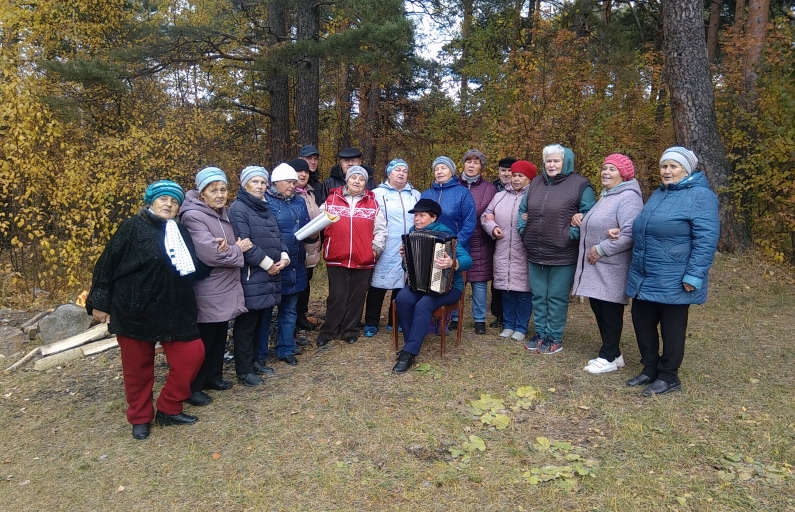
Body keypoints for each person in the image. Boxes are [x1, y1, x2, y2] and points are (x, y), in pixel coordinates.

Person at [87, 180, 205, 440]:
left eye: (174, 202)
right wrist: (100, 302)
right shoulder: (132, 228)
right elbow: (106, 264)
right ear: (151, 201)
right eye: (163, 199)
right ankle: (140, 417)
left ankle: (169, 407)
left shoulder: (180, 231)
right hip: (134, 308)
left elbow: (191, 269)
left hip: (175, 309)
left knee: (192, 355)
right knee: (137, 369)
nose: (169, 204)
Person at [624, 147, 719, 396]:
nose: (667, 171)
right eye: (664, 166)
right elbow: (645, 227)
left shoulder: (701, 196)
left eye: (673, 166)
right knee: (641, 320)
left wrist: (694, 275)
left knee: (672, 328)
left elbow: (706, 239)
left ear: (687, 170)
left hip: (675, 277)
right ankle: (650, 368)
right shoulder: (659, 193)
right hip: (646, 274)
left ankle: (669, 376)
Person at [179, 167, 250, 406]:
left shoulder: (223, 213)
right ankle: (194, 386)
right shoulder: (193, 215)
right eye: (213, 190)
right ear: (201, 193)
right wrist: (237, 250)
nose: (220, 195)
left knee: (220, 334)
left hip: (226, 285)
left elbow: (225, 247)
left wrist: (229, 249)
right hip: (208, 287)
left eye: (223, 189)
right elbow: (210, 254)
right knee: (205, 339)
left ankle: (214, 377)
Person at [519, 144, 596, 355]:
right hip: (535, 250)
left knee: (555, 296)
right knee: (538, 296)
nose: (551, 164)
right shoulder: (536, 183)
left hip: (562, 253)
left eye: (556, 161)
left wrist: (569, 235)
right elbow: (522, 210)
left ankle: (554, 337)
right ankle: (541, 333)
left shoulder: (580, 185)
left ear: (566, 162)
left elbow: (590, 217)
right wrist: (523, 229)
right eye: (548, 161)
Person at [570, 154, 643, 374]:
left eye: (612, 169)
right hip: (597, 267)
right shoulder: (608, 195)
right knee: (600, 310)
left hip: (612, 266)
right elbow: (601, 222)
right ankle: (615, 354)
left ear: (623, 174)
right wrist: (581, 218)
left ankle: (608, 356)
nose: (606, 172)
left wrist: (601, 249)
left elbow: (630, 233)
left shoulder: (628, 197)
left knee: (610, 313)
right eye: (604, 168)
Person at [393, 199, 473, 372]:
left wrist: (452, 262)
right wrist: (405, 258)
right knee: (402, 298)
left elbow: (468, 260)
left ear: (433, 217)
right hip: (421, 285)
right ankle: (411, 344)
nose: (417, 219)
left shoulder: (446, 235)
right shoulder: (412, 233)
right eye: (415, 215)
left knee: (424, 304)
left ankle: (409, 353)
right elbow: (408, 268)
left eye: (422, 215)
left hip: (449, 287)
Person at [228, 165, 289, 387]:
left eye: (263, 182)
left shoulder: (265, 207)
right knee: (246, 325)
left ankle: (255, 362)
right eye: (255, 182)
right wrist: (267, 264)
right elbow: (244, 243)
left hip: (270, 274)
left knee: (260, 322)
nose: (260, 186)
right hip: (252, 276)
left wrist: (284, 257)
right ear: (245, 184)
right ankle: (243, 371)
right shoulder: (238, 209)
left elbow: (277, 235)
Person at [316, 166, 387, 347]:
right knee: (337, 296)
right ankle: (329, 329)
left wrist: (375, 250)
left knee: (357, 296)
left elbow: (381, 230)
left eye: (361, 179)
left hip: (363, 258)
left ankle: (350, 330)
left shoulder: (373, 203)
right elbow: (317, 225)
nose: (357, 181)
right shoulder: (331, 200)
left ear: (365, 183)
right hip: (336, 256)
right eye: (353, 178)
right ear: (346, 180)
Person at [363, 158, 421, 337]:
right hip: (386, 245)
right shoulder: (377, 194)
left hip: (408, 245)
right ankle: (371, 322)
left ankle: (394, 320)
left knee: (401, 284)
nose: (401, 173)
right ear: (389, 173)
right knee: (378, 284)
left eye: (405, 170)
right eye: (397, 170)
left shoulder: (415, 194)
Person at [481, 160, 537, 342]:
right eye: (514, 175)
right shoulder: (500, 196)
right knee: (507, 290)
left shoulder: (534, 196)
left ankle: (521, 326)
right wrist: (492, 226)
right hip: (503, 249)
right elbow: (486, 216)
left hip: (524, 250)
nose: (516, 179)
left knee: (523, 291)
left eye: (521, 176)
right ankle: (508, 324)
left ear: (529, 179)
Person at [261, 163, 311, 366]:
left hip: (296, 261)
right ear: (275, 182)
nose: (292, 185)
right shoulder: (265, 201)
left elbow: (307, 225)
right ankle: (260, 353)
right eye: (288, 182)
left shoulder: (299, 201)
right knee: (265, 312)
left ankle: (286, 347)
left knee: (290, 308)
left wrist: (314, 232)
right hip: (272, 263)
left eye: (293, 182)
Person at [420, 156, 477, 331]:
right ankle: (428, 320)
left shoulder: (462, 193)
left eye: (443, 168)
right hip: (429, 248)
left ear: (451, 171)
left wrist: (455, 245)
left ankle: (445, 321)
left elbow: (469, 222)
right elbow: (420, 220)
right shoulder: (427, 194)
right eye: (436, 169)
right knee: (430, 282)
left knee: (448, 284)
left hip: (454, 248)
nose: (439, 171)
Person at [458, 149, 496, 334]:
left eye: (476, 162)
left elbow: (493, 213)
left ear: (481, 166)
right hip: (457, 240)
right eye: (468, 161)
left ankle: (479, 320)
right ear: (463, 164)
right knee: (456, 280)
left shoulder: (490, 189)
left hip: (481, 241)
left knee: (479, 282)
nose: (471, 165)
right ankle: (454, 317)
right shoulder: (453, 185)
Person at [290, 157, 322, 333]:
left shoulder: (310, 193)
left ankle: (301, 315)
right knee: (295, 284)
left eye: (306, 171)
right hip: (295, 247)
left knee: (305, 282)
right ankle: (293, 319)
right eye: (299, 171)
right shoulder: (289, 193)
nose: (303, 174)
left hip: (310, 246)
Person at [489, 156, 517, 328]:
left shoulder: (521, 187)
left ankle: (512, 316)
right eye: (503, 170)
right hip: (493, 235)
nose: (506, 174)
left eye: (509, 171)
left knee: (513, 278)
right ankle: (498, 314)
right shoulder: (492, 188)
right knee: (496, 279)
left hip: (513, 239)